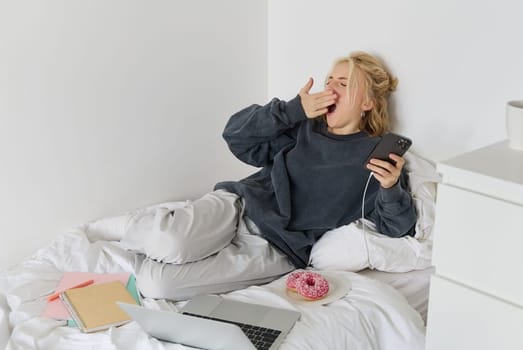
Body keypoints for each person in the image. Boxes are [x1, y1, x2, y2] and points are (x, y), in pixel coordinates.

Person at [122, 51, 417, 300]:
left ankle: (158, 246)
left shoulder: (375, 159)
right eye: (329, 81)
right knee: (167, 242)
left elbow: (397, 228)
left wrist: (391, 188)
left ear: (368, 103)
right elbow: (235, 136)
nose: (330, 89)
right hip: (239, 206)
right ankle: (135, 230)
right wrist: (292, 110)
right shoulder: (304, 126)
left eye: (343, 83)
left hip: (275, 249)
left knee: (155, 285)